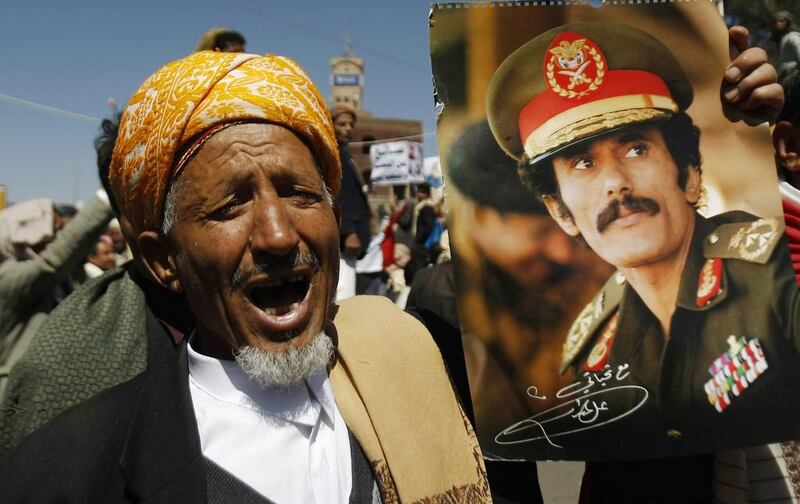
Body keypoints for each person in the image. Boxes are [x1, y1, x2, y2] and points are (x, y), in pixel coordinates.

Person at [0, 51, 489, 503]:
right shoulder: (70, 471)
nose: (277, 235)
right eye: (230, 205)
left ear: (336, 219)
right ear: (163, 259)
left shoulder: (436, 364)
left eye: (298, 193)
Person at [0, 191, 113, 399]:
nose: (58, 240)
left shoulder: (60, 281)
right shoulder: (8, 280)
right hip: (19, 398)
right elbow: (53, 262)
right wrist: (104, 200)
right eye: (55, 232)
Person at [331, 105, 370, 301]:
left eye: (351, 124)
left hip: (348, 241)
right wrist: (348, 231)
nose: (348, 128)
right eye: (342, 123)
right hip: (343, 240)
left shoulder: (345, 153)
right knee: (343, 298)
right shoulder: (334, 153)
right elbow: (340, 195)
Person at [773, 11, 800, 82]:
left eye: (781, 21)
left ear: (788, 22)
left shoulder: (792, 35)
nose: (778, 23)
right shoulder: (782, 39)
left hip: (794, 76)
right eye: (776, 21)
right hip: (785, 78)